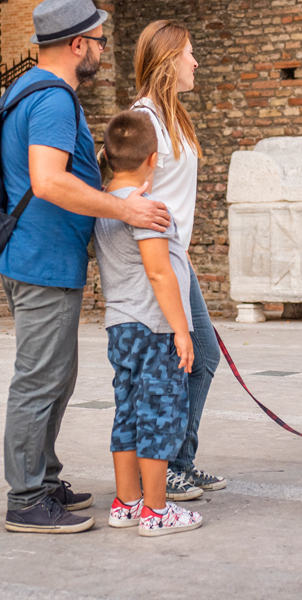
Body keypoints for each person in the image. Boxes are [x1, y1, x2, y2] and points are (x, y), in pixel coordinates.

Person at [0, 0, 171, 533]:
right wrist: (126, 208)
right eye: (98, 40)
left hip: (42, 257)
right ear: (77, 44)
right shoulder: (50, 99)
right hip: (40, 259)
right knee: (40, 379)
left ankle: (44, 479)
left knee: (57, 376)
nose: (102, 49)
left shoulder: (29, 90)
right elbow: (48, 182)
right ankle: (26, 498)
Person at [94, 111, 203, 536]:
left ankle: (126, 502)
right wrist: (181, 329)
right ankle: (156, 512)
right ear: (153, 159)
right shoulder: (147, 208)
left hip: (120, 324)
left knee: (128, 411)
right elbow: (159, 273)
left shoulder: (106, 203)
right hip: (154, 327)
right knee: (160, 413)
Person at [129, 20, 224, 501]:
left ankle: (179, 463)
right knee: (180, 361)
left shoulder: (173, 117)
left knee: (202, 358)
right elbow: (131, 194)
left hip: (176, 257)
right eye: (189, 53)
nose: (195, 61)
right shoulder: (144, 120)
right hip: (157, 259)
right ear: (168, 61)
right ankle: (165, 468)